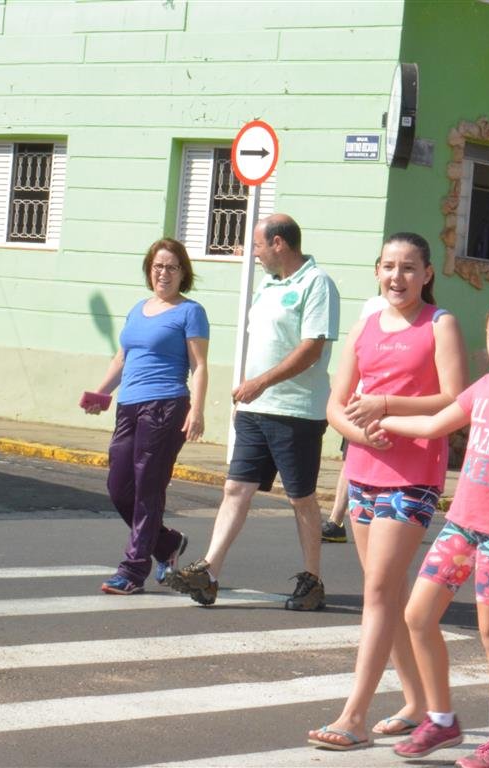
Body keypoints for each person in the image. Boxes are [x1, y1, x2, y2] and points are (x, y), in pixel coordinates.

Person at [374, 294, 489, 768]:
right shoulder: (482, 388)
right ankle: (441, 719)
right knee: (417, 616)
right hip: (462, 524)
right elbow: (436, 423)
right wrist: (380, 418)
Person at [306, 232, 467, 750]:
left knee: (377, 592)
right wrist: (359, 432)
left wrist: (385, 406)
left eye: (409, 267)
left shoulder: (440, 324)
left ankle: (353, 715)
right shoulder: (365, 326)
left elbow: (454, 397)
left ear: (427, 274)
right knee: (390, 594)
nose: (397, 277)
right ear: (377, 271)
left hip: (414, 474)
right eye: (389, 267)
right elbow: (336, 404)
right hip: (363, 472)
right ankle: (421, 705)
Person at [167, 214, 340, 610]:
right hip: (254, 409)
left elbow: (312, 349)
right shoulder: (267, 284)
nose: (255, 254)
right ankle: (209, 572)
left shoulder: (317, 283)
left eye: (259, 246)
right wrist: (249, 390)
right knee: (235, 489)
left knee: (301, 498)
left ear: (279, 244)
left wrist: (260, 382)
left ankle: (312, 580)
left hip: (296, 411)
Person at [81, 238, 209, 595]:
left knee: (147, 491)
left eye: (170, 267)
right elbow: (121, 359)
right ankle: (166, 544)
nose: (163, 273)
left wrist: (196, 410)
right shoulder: (138, 309)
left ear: (183, 272)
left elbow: (199, 366)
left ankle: (133, 570)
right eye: (157, 266)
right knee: (119, 487)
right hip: (129, 407)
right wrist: (101, 393)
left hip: (166, 406)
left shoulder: (190, 311)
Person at [321, 293, 390, 544]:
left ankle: (356, 518)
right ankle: (337, 519)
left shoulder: (430, 320)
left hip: (385, 404)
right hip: (361, 398)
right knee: (350, 459)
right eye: (387, 266)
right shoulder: (372, 304)